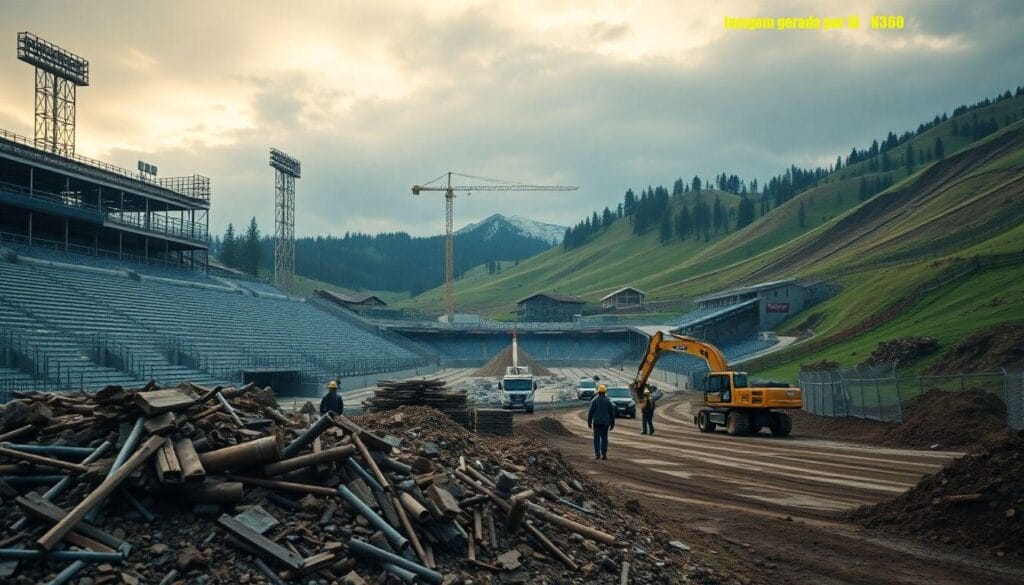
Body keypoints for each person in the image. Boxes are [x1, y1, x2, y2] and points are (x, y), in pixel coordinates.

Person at [587, 384, 616, 460]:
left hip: (596, 422)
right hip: (605, 423)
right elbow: (612, 413)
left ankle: (597, 454)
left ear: (598, 392)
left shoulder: (594, 401)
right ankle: (604, 454)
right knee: (604, 438)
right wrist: (612, 423)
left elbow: (591, 412)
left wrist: (589, 422)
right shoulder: (608, 401)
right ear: (605, 392)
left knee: (596, 438)